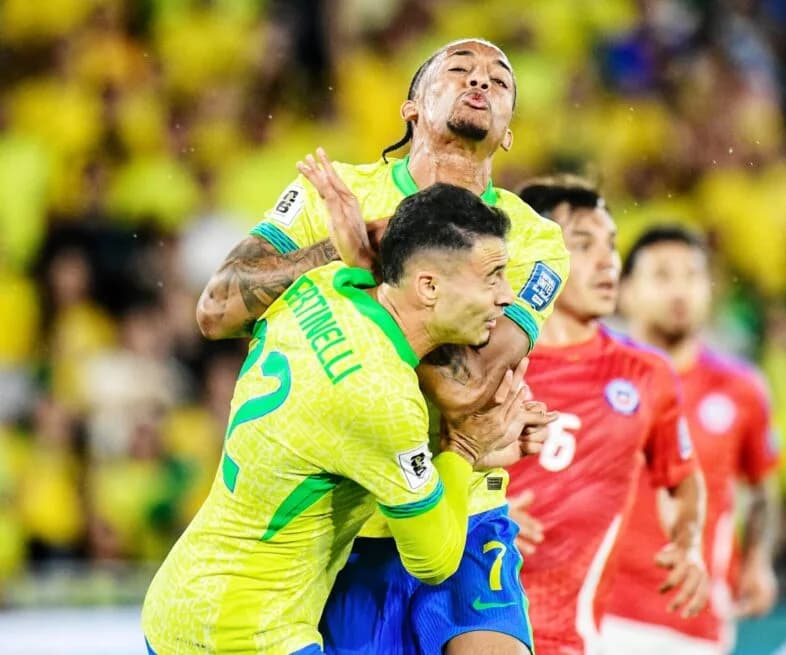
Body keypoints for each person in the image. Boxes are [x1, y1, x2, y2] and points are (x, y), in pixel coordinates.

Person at [196, 39, 570, 655]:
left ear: (508, 134)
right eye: (459, 70)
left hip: (465, 508)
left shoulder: (532, 239)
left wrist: (369, 265)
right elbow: (217, 310)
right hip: (346, 530)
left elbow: (468, 387)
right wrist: (334, 250)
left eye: (500, 81)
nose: (480, 81)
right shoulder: (333, 192)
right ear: (411, 108)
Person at [141, 182, 551, 654]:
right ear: (429, 286)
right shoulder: (380, 395)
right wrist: (464, 449)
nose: (506, 296)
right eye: (493, 277)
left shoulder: (319, 289)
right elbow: (434, 560)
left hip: (182, 599)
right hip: (246, 634)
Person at [504, 177, 709, 655]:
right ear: (535, 254)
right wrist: (480, 515)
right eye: (583, 244)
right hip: (466, 616)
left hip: (568, 636)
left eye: (611, 245)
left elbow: (681, 478)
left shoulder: (645, 375)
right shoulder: (483, 361)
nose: (608, 262)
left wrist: (687, 541)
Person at [603, 227, 781, 655]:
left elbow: (762, 487)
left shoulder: (742, 389)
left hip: (695, 620)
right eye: (662, 275)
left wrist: (758, 561)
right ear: (625, 292)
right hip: (601, 614)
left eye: (692, 275)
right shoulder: (595, 376)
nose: (680, 290)